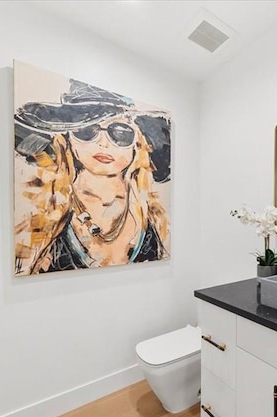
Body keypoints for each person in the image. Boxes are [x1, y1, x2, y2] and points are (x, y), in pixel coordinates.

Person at [13, 80, 171, 275]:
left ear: (137, 143)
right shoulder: (45, 208)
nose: (103, 143)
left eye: (120, 133)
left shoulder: (149, 211)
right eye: (87, 131)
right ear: (68, 139)